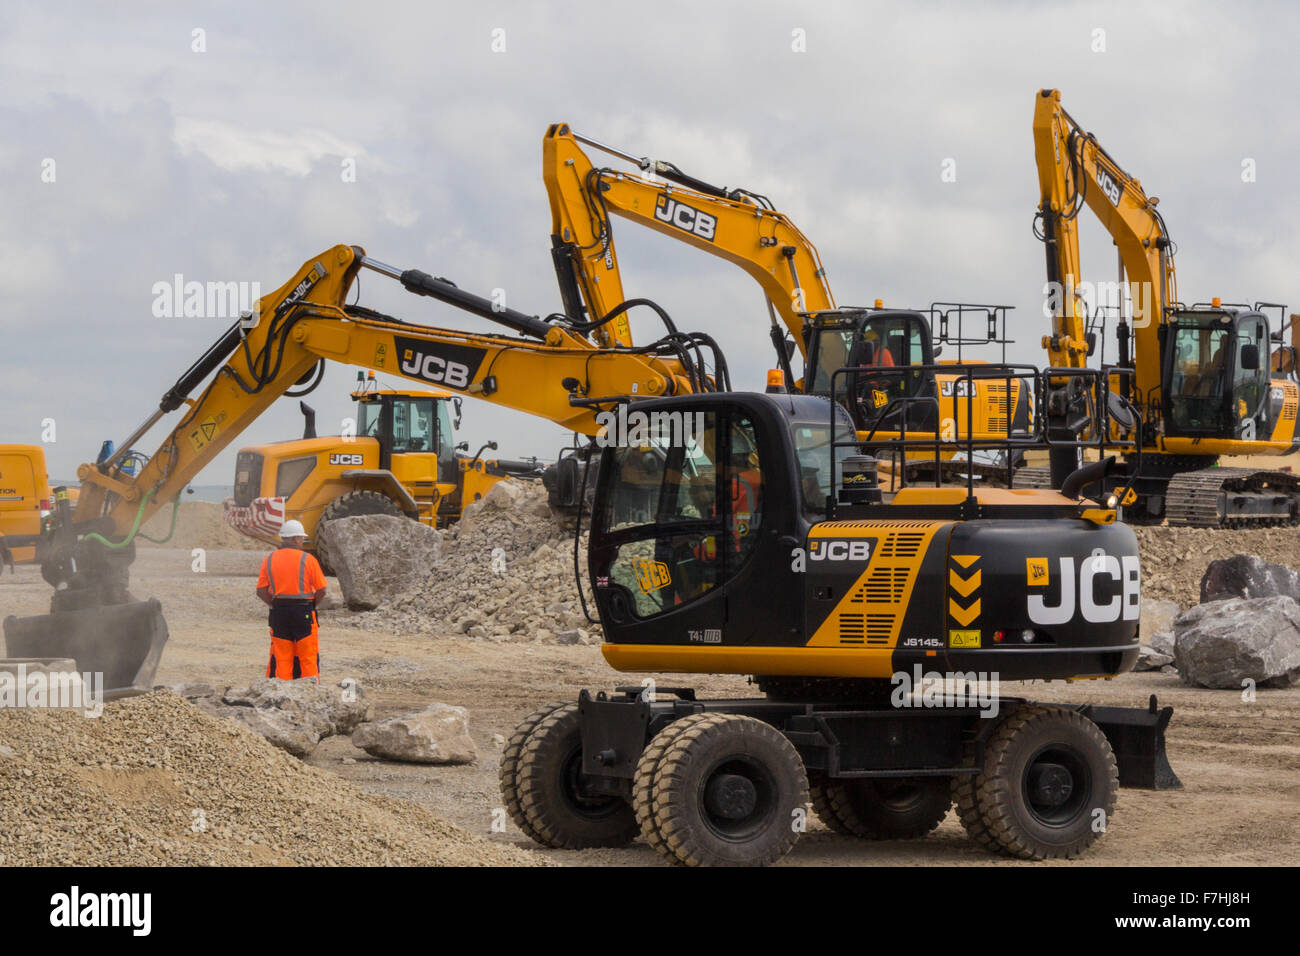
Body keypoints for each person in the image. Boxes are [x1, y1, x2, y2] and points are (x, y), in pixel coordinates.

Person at [257, 520, 328, 681]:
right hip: (303, 612)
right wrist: (312, 606)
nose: (302, 541)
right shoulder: (308, 559)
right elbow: (322, 590)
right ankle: (309, 693)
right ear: (296, 539)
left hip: (279, 613)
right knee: (307, 655)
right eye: (302, 538)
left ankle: (282, 693)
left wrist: (274, 605)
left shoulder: (269, 559)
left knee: (282, 657)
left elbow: (261, 591)